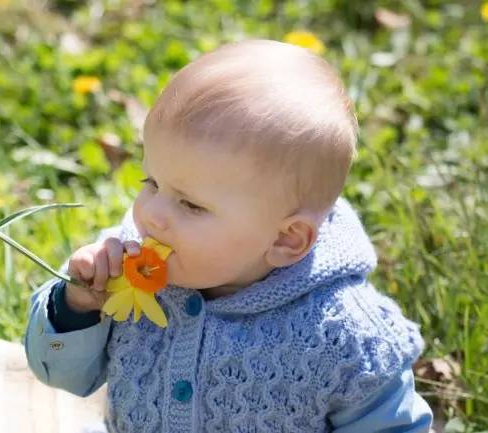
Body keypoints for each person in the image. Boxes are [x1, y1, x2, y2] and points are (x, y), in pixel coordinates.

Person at [24, 39, 433, 432]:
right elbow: (60, 376)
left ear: (286, 240)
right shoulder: (125, 269)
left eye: (191, 205)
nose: (151, 214)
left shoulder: (344, 333)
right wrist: (78, 306)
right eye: (151, 181)